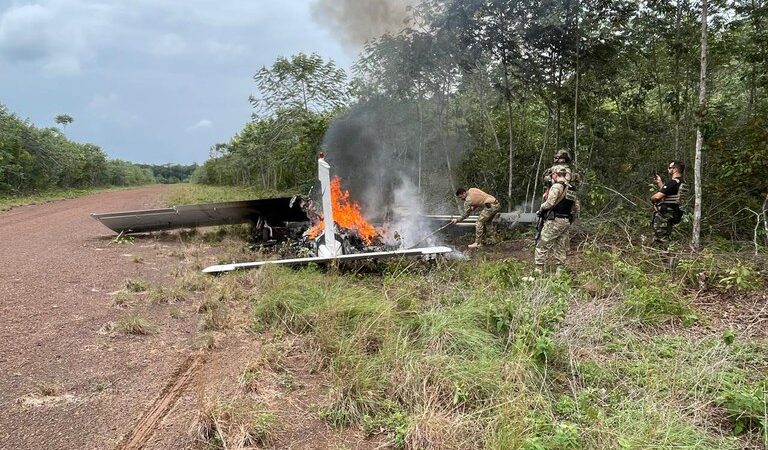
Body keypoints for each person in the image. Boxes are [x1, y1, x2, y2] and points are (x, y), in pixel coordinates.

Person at [534, 168, 580, 275]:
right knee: (560, 246)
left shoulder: (556, 187)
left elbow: (549, 204)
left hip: (555, 220)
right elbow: (576, 207)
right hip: (565, 221)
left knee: (542, 244)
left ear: (555, 174)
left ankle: (538, 271)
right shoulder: (571, 188)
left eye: (552, 175)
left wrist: (541, 207)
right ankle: (559, 272)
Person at [651, 160, 686, 244]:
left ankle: (665, 255)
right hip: (674, 212)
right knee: (667, 234)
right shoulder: (681, 182)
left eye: (669, 167)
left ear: (675, 169)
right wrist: (660, 183)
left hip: (665, 213)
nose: (668, 169)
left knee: (661, 237)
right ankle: (666, 252)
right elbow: (670, 193)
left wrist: (652, 198)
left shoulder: (673, 182)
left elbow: (658, 196)